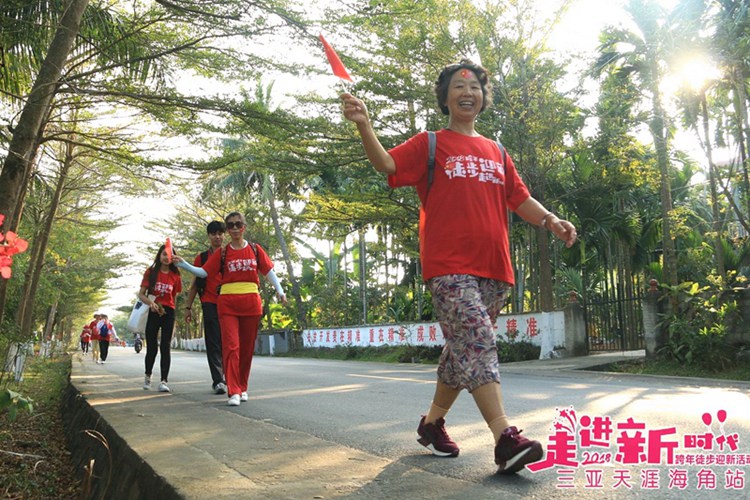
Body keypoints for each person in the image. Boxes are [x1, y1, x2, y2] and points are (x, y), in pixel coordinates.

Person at [340, 60, 577, 474]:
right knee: (478, 340)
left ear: (484, 98)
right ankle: (505, 438)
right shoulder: (430, 143)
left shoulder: (496, 151)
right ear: (445, 97)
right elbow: (388, 166)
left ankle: (431, 425)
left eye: (475, 86)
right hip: (448, 268)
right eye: (458, 86)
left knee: (461, 352)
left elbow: (519, 198)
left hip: (495, 270)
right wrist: (364, 125)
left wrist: (550, 219)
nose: (468, 92)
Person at [176, 212, 288, 407]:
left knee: (245, 349)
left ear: (244, 227)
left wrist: (280, 290)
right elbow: (203, 272)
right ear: (228, 230)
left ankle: (243, 387)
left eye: (238, 224)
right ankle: (233, 390)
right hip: (227, 304)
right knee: (231, 347)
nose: (235, 228)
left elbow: (268, 271)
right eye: (231, 225)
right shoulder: (222, 253)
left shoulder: (255, 249)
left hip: (251, 304)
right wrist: (183, 264)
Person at [184, 220, 227, 395]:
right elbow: (194, 285)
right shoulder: (201, 258)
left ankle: (230, 377)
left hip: (230, 303)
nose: (217, 237)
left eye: (220, 233)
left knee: (229, 343)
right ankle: (218, 380)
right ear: (208, 236)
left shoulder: (230, 255)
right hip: (209, 303)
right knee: (213, 343)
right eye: (213, 234)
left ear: (224, 235)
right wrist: (187, 307)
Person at [138, 244, 183, 392]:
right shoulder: (151, 272)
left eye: (170, 255)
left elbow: (174, 296)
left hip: (168, 312)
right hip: (153, 311)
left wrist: (173, 315)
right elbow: (141, 294)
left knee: (165, 346)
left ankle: (164, 381)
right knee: (152, 347)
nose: (166, 258)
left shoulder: (175, 275)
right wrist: (151, 303)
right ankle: (147, 376)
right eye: (164, 254)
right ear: (159, 255)